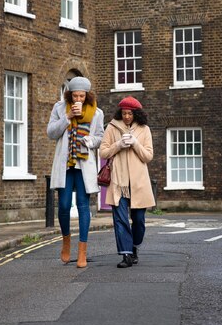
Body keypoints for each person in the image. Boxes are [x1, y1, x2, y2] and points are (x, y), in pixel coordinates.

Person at [47, 76, 104, 268]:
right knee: (63, 206)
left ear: (87, 95)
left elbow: (100, 138)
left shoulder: (97, 113)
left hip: (83, 164)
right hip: (65, 165)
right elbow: (51, 133)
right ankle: (66, 242)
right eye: (75, 96)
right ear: (69, 95)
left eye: (82, 96)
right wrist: (68, 117)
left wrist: (88, 141)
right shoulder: (59, 108)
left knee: (82, 206)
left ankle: (82, 252)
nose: (78, 99)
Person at [100, 96, 154, 268]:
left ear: (136, 114)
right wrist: (118, 145)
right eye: (124, 113)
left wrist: (135, 143)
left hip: (139, 183)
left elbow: (148, 156)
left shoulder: (144, 129)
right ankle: (126, 255)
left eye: (130, 114)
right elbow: (103, 152)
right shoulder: (112, 126)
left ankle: (135, 247)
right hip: (119, 182)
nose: (126, 117)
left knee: (138, 220)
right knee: (120, 220)